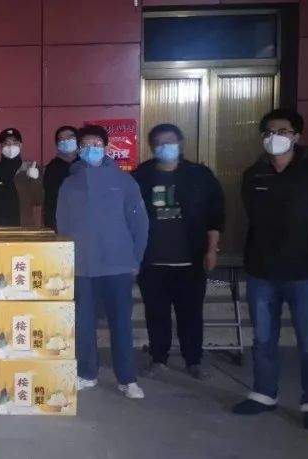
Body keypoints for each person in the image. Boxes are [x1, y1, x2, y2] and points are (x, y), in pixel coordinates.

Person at [232, 109, 308, 432]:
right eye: (268, 131)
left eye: (282, 131)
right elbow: (252, 217)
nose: (274, 137)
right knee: (263, 339)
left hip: (304, 273)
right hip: (262, 271)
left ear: (296, 136)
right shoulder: (255, 175)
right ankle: (264, 393)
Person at [56, 124, 149, 399]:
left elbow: (140, 223)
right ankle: (87, 373)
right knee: (83, 324)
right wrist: (66, 260)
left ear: (107, 148)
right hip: (82, 266)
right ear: (79, 149)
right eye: (85, 145)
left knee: (121, 325)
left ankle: (127, 379)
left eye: (96, 145)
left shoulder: (124, 181)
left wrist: (136, 257)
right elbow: (62, 225)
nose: (91, 150)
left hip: (117, 264)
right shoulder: (70, 184)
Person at [132, 124, 225, 380]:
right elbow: (129, 217)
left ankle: (193, 360)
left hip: (190, 259)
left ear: (181, 143)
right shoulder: (141, 176)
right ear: (152, 147)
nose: (165, 147)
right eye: (159, 143)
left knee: (191, 314)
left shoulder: (199, 175)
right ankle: (158, 358)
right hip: (152, 260)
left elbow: (215, 215)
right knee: (156, 313)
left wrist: (212, 249)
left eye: (170, 141)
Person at [2, 128, 43, 227]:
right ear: (0, 146)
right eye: (7, 143)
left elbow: (38, 200)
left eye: (15, 143)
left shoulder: (31, 167)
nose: (11, 146)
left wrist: (34, 179)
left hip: (25, 226)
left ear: (21, 145)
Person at [44, 126, 79, 231]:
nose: (66, 141)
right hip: (59, 224)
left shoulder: (86, 164)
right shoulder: (52, 168)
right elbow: (50, 200)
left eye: (70, 137)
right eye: (62, 139)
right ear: (58, 145)